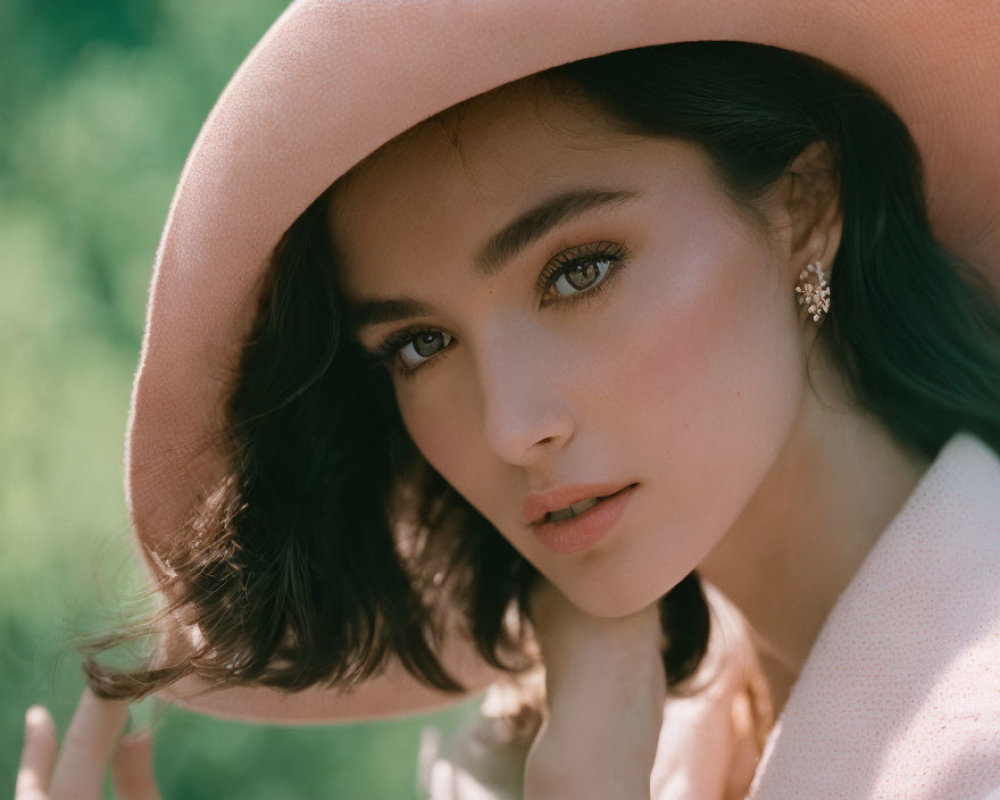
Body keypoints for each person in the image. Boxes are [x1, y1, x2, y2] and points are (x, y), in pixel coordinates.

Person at [17, 1, 1000, 798]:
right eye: (420, 343)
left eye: (578, 271)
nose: (509, 424)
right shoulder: (605, 726)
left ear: (805, 207)